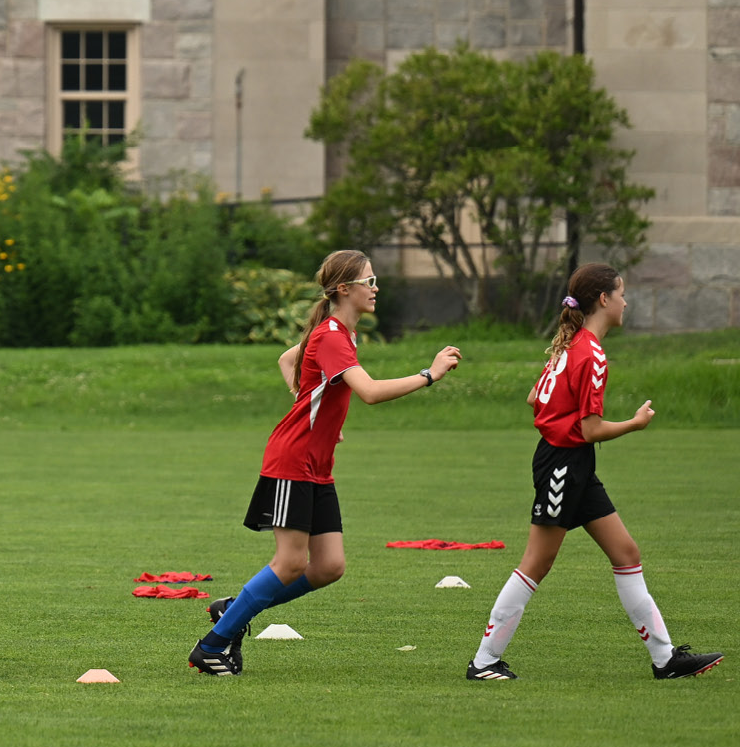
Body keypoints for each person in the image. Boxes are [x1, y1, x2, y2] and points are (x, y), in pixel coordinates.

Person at [189, 249, 460, 676]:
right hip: (292, 461)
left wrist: (317, 415)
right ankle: (212, 646)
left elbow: (288, 361)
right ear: (343, 289)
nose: (375, 288)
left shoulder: (339, 331)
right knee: (291, 562)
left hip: (316, 465)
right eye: (368, 281)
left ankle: (234, 609)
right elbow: (368, 392)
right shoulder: (333, 334)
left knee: (330, 565)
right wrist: (430, 374)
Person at [466, 264, 721, 681]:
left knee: (626, 554)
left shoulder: (573, 344)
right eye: (622, 293)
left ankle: (666, 660)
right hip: (564, 464)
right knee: (536, 563)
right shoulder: (592, 352)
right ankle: (483, 662)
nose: (626, 301)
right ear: (604, 299)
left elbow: (536, 397)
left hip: (572, 462)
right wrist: (634, 424)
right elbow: (590, 428)